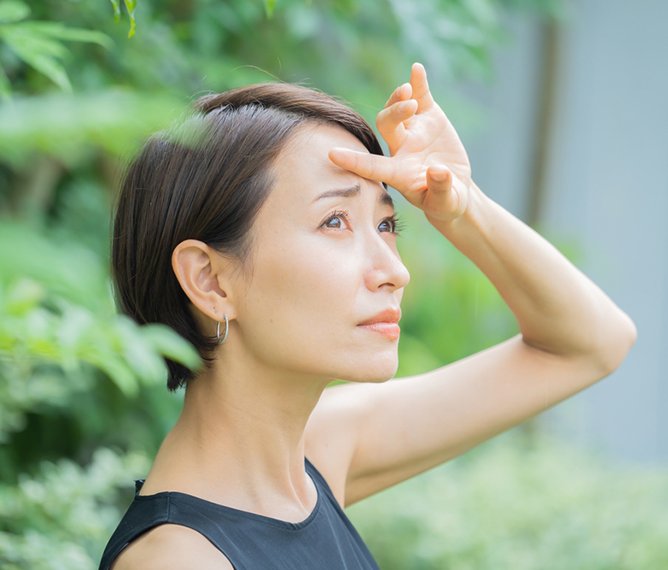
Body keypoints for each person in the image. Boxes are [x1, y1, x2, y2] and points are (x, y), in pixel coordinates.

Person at [101, 62, 637, 569]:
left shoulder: (318, 454)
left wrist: (462, 203)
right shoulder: (179, 560)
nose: (394, 272)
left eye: (385, 225)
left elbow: (591, 343)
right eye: (334, 221)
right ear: (210, 280)